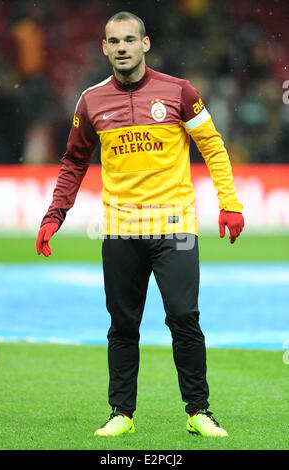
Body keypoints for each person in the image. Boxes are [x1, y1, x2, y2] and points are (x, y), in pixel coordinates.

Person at [36, 11, 244, 437]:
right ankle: (121, 414)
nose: (123, 48)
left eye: (131, 40)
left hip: (176, 228)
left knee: (184, 318)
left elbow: (213, 147)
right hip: (120, 230)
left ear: (145, 44)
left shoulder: (180, 92)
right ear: (105, 48)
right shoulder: (91, 101)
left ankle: (198, 411)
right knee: (122, 325)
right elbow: (74, 162)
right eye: (115, 41)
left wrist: (230, 203)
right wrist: (55, 214)